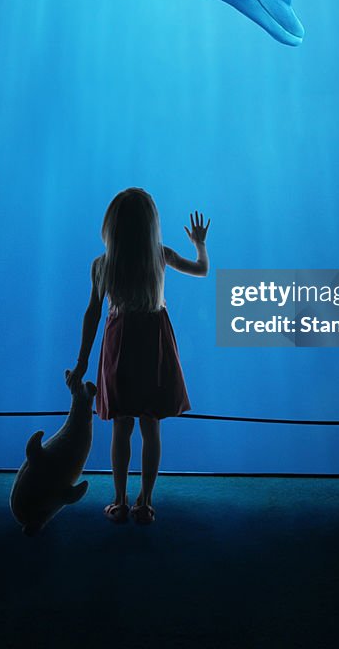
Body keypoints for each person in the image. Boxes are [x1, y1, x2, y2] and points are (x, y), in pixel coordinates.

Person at [66, 188, 210, 525]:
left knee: (121, 427)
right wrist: (200, 243)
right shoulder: (160, 255)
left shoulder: (102, 265)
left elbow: (92, 314)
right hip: (153, 341)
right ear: (151, 225)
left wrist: (82, 362)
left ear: (112, 226)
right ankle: (145, 503)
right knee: (151, 426)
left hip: (120, 342)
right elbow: (202, 270)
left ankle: (119, 501)